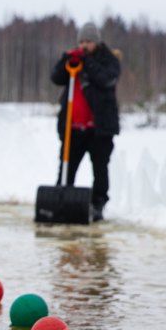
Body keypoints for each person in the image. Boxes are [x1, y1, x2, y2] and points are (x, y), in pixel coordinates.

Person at [51, 22, 122, 222]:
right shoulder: (73, 61)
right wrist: (65, 60)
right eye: (81, 42)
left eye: (88, 42)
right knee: (66, 169)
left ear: (96, 42)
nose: (83, 46)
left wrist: (86, 63)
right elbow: (56, 78)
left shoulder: (109, 60)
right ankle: (61, 203)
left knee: (100, 169)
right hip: (73, 130)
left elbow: (106, 79)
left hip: (99, 130)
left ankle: (98, 205)